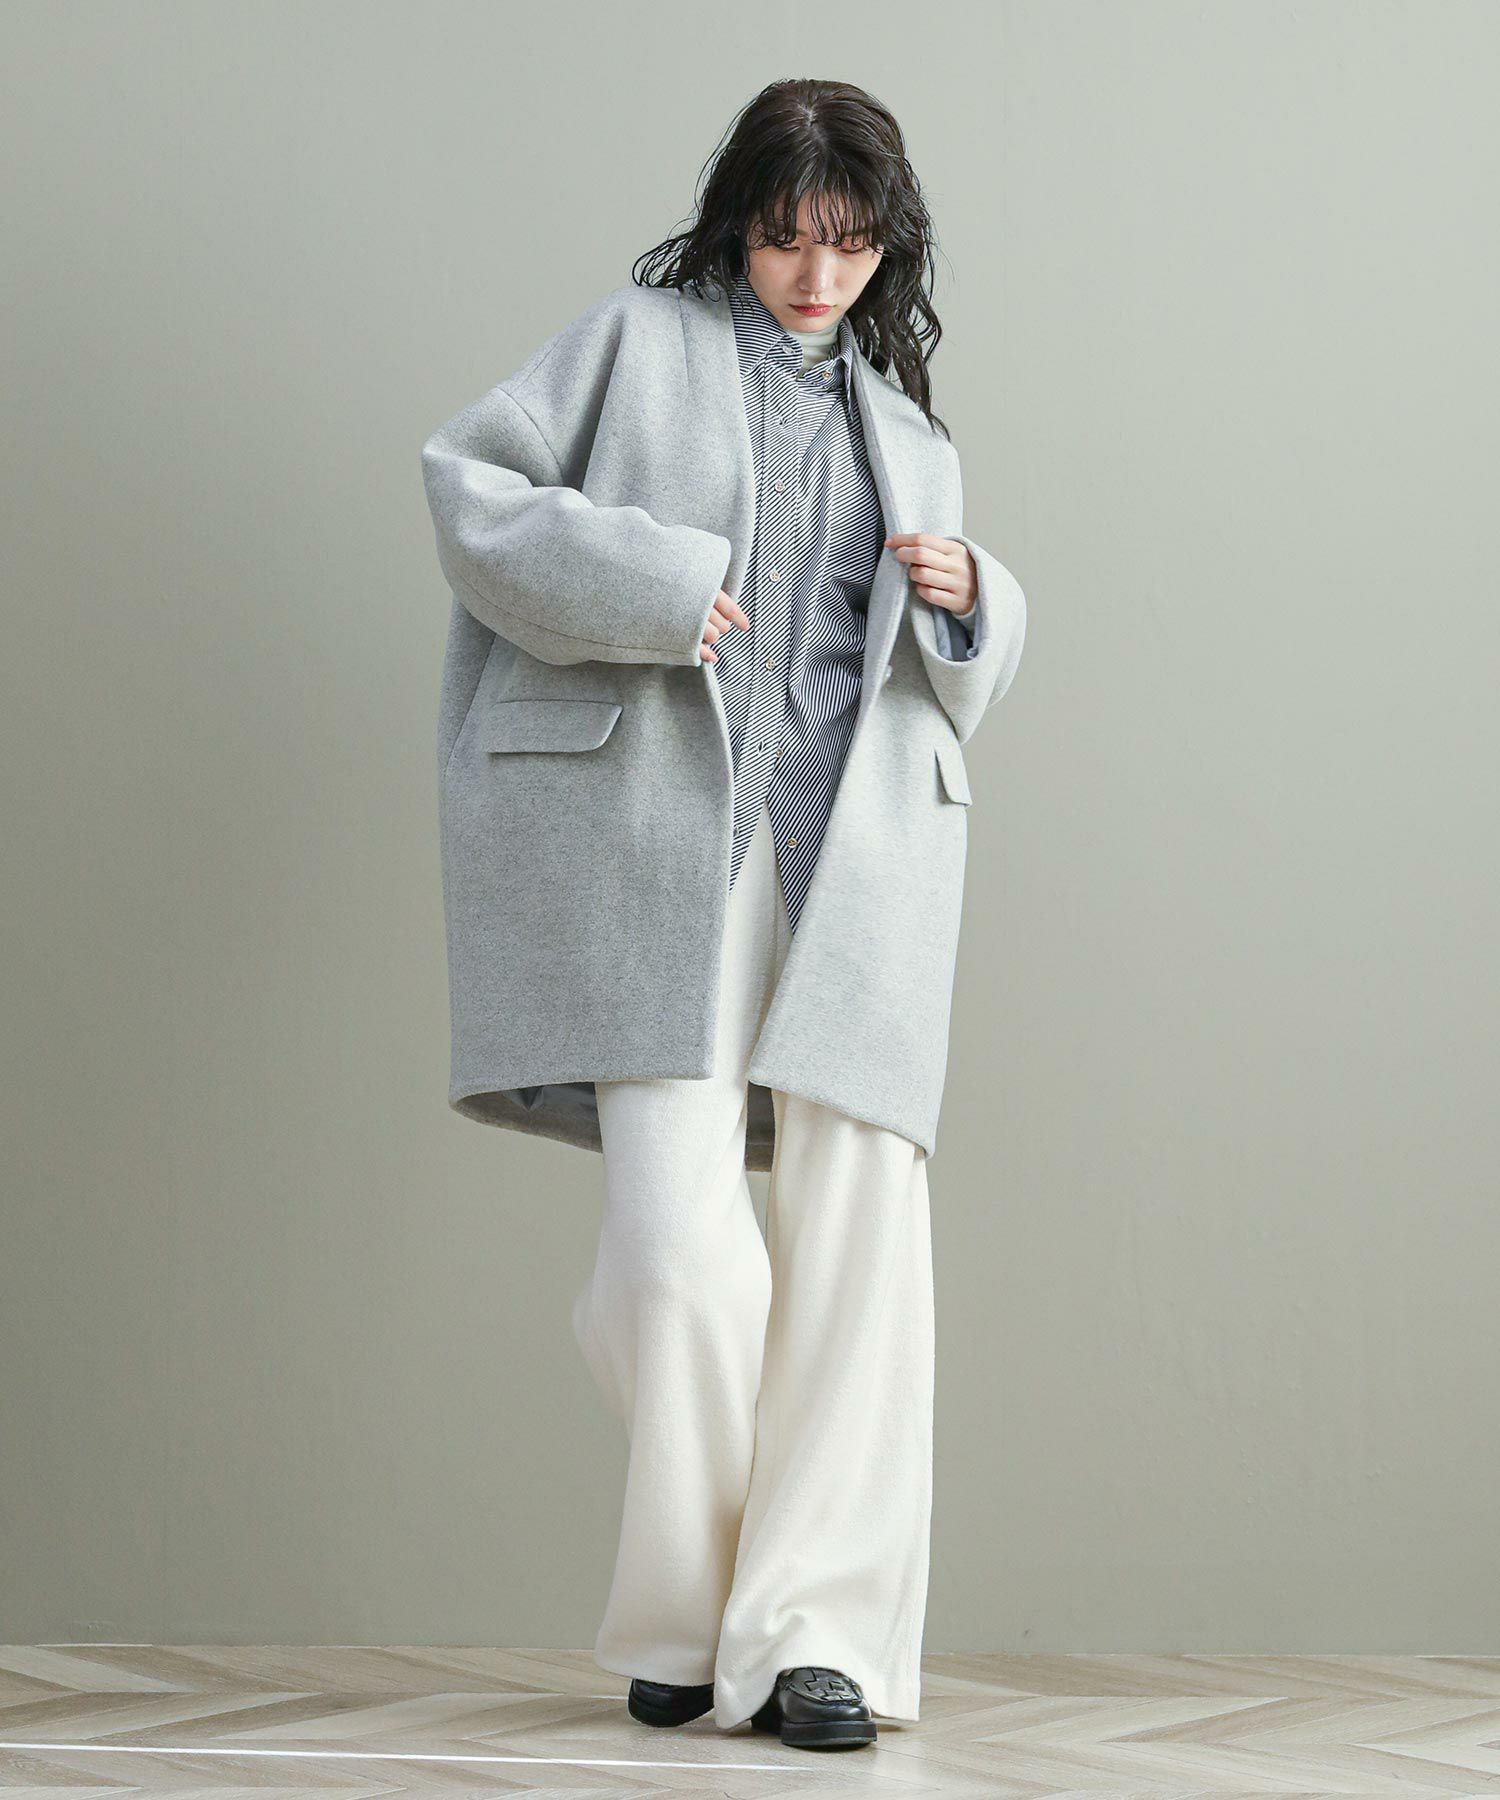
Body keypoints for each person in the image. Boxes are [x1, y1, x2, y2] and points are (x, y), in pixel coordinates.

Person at [419, 77, 1027, 1754]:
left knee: (863, 1254)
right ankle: (693, 1611)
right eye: (785, 238)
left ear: (888, 245)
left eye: (851, 244)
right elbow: (471, 488)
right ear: (737, 224)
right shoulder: (636, 346)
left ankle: (816, 1634)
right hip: (668, 843)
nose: (817, 277)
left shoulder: (912, 434)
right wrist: (657, 586)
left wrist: (982, 602)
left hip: (866, 861)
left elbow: (946, 668)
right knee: (673, 1252)